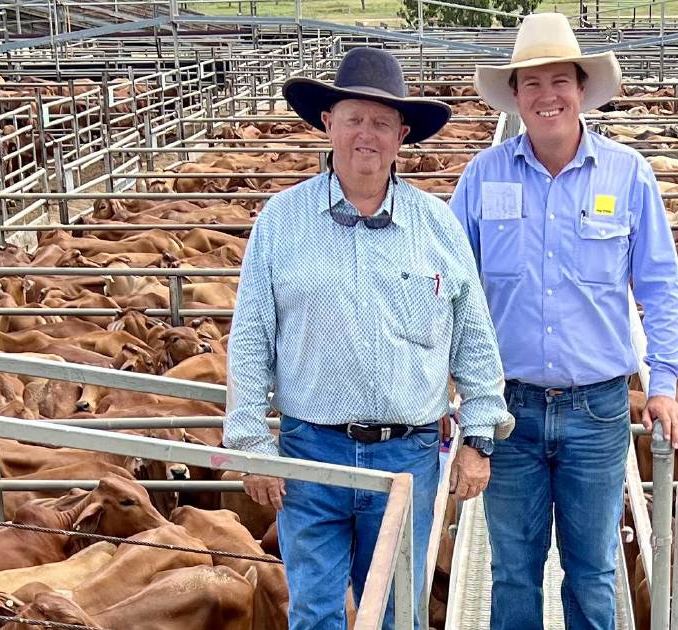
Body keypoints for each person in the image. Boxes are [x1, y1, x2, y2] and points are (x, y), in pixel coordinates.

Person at [224, 47, 512, 630]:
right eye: (354, 118)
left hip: (407, 456)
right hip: (311, 451)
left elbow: (475, 340)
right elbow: (252, 336)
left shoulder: (437, 224)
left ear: (402, 134)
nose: (366, 134)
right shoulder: (281, 220)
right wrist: (251, 443)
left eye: (381, 122)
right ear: (327, 123)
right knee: (314, 613)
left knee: (398, 615)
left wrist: (479, 436)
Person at [449, 13, 678, 630]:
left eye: (559, 80)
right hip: (508, 409)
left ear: (581, 89)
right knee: (512, 569)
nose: (546, 96)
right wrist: (446, 385)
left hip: (599, 408)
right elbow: (447, 288)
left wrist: (662, 384)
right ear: (515, 97)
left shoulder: (629, 173)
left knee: (592, 571)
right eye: (531, 84)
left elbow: (661, 286)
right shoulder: (482, 176)